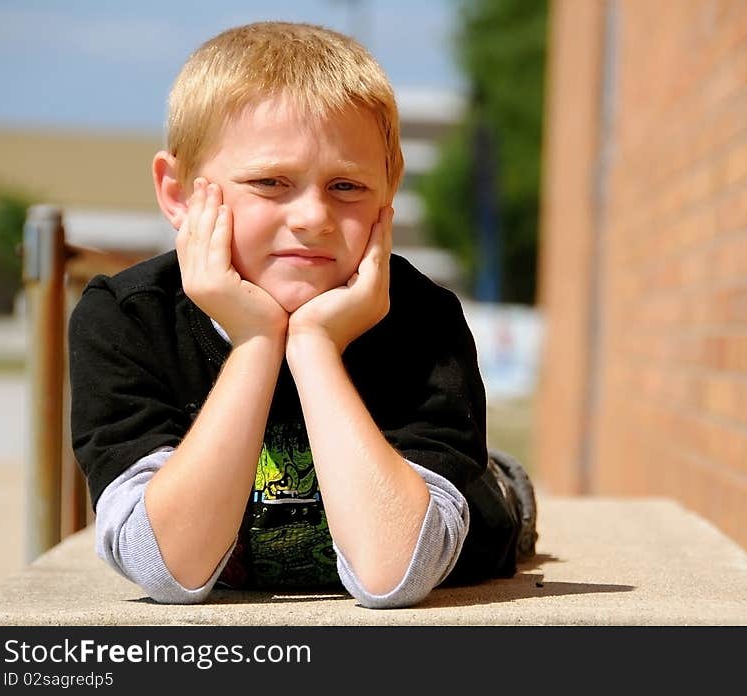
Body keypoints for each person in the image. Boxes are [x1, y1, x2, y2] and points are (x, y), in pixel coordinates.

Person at [68, 21, 536, 609]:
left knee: (491, 504)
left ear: (387, 198)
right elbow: (169, 571)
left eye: (346, 186)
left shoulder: (424, 319)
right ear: (179, 194)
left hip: (456, 535)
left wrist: (313, 346)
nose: (313, 216)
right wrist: (256, 342)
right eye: (270, 182)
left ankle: (499, 480)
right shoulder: (127, 318)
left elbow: (396, 575)